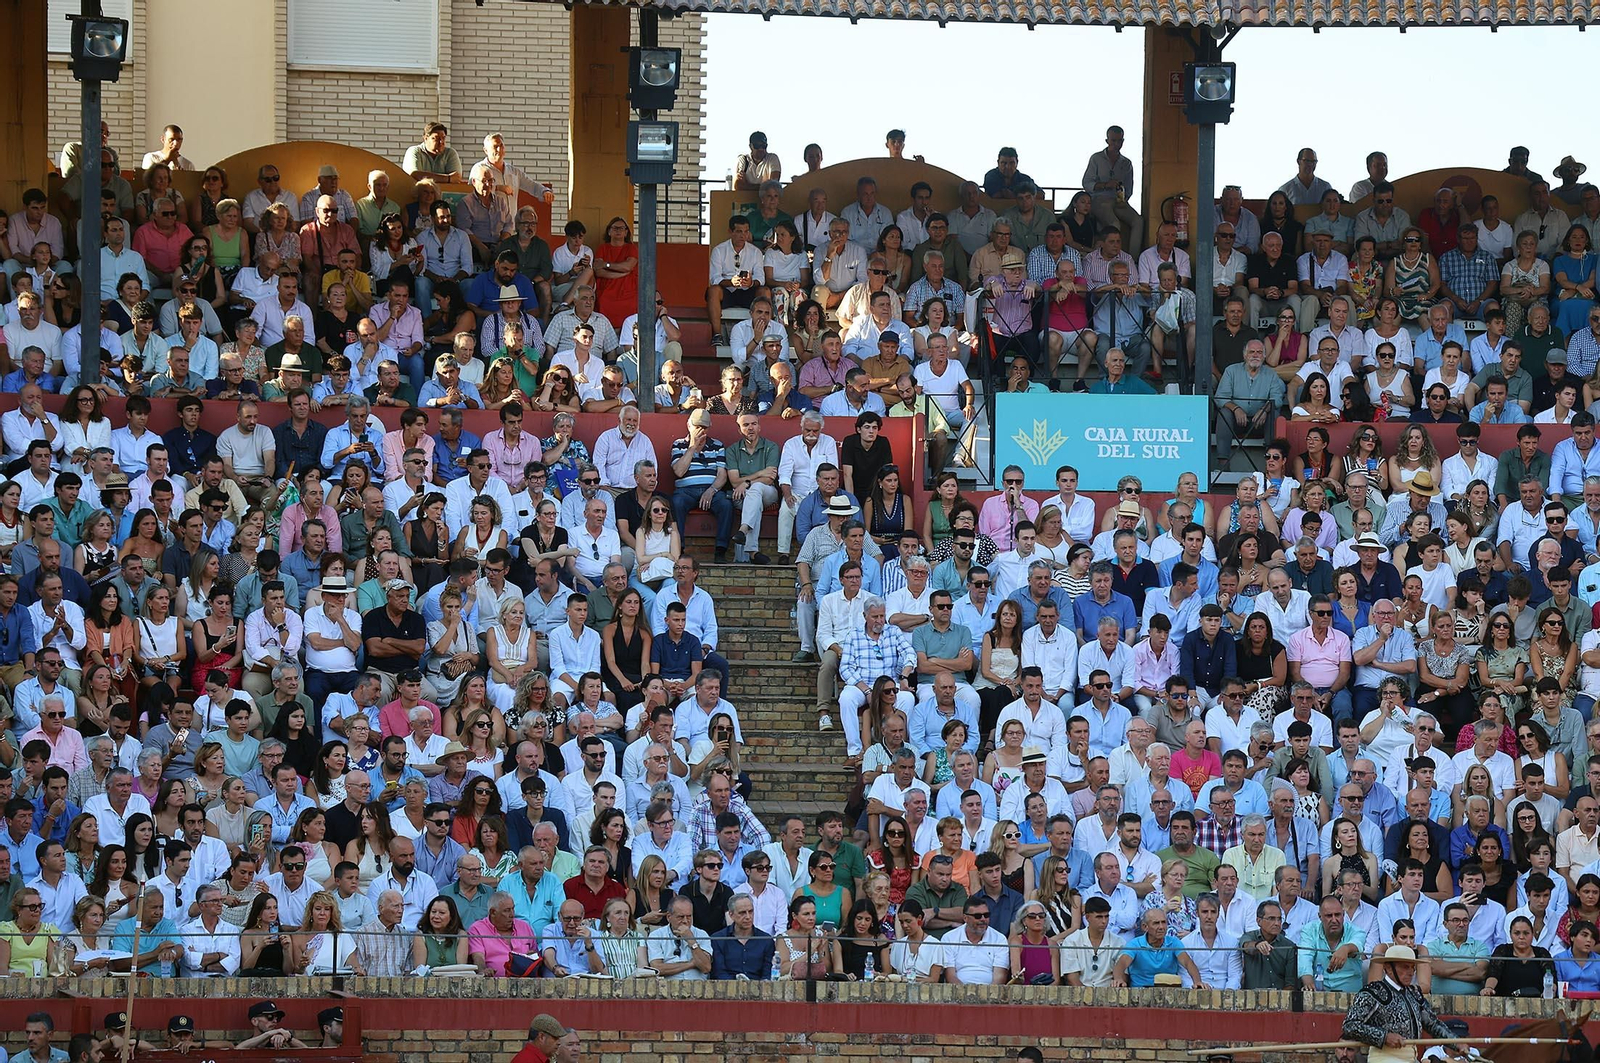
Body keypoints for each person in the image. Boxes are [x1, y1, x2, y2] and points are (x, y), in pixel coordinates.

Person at [1341, 945, 1464, 1063]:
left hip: (1411, 1057)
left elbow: (1433, 1024)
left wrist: (1456, 1042)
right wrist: (1384, 1037)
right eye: (1405, 967)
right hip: (1384, 1059)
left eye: (1412, 967)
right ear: (1388, 968)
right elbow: (1350, 1025)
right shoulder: (1373, 992)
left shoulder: (1414, 993)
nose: (1411, 972)